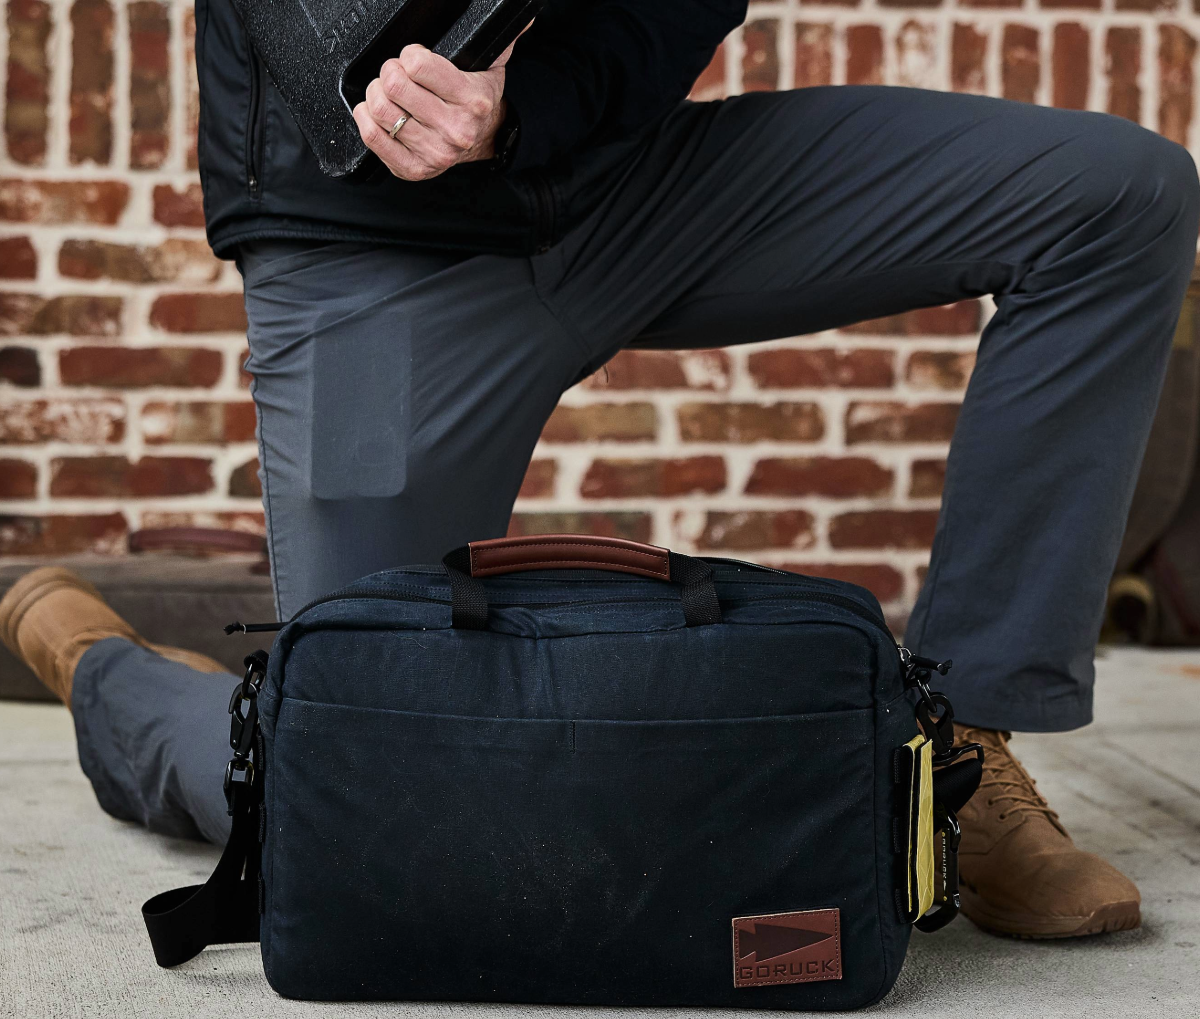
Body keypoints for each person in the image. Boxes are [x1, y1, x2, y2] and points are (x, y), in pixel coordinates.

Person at [2, 0, 1197, 940]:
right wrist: (413, 85)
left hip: (617, 185)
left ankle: (960, 763)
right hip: (369, 247)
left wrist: (524, 108)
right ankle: (116, 674)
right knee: (375, 799)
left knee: (1112, 195)